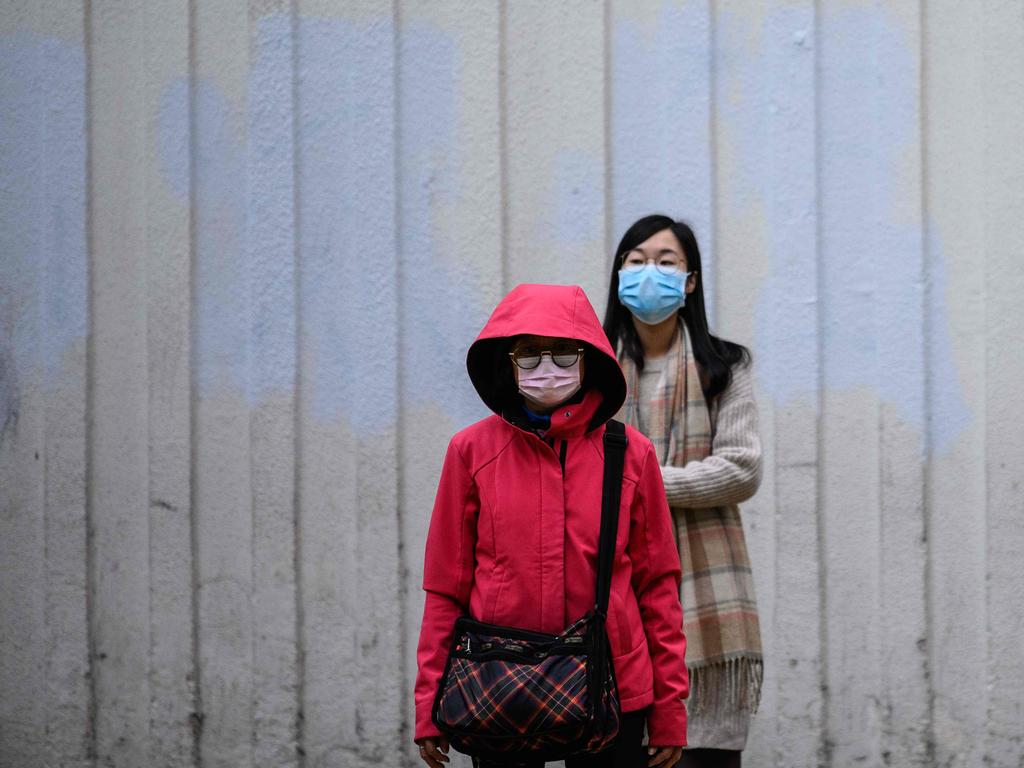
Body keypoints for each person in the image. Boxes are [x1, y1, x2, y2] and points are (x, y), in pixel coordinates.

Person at [413, 283, 690, 768]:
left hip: (614, 687)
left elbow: (657, 586)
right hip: (499, 684)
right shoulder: (471, 452)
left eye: (564, 352)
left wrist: (669, 708)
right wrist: (429, 704)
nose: (547, 367)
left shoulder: (630, 454)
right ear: (507, 361)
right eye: (529, 353)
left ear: (589, 359)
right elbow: (445, 588)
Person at [602, 215, 763, 768]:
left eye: (666, 262)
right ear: (618, 272)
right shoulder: (590, 370)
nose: (650, 273)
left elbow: (742, 468)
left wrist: (640, 482)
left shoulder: (724, 366)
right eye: (636, 259)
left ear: (690, 281)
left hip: (703, 604)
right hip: (613, 592)